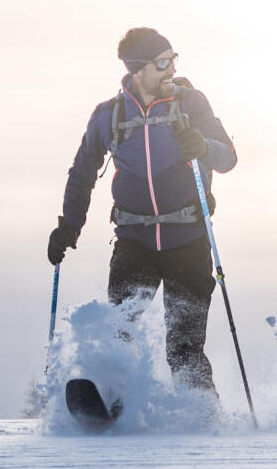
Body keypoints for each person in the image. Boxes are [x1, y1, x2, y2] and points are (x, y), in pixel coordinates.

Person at [48, 27, 238, 393]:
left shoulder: (190, 104)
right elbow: (83, 170)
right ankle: (116, 409)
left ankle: (200, 418)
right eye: (162, 63)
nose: (170, 70)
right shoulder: (109, 116)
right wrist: (69, 227)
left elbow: (228, 157)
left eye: (173, 60)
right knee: (119, 336)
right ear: (138, 70)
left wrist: (201, 146)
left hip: (189, 240)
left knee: (184, 347)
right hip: (134, 243)